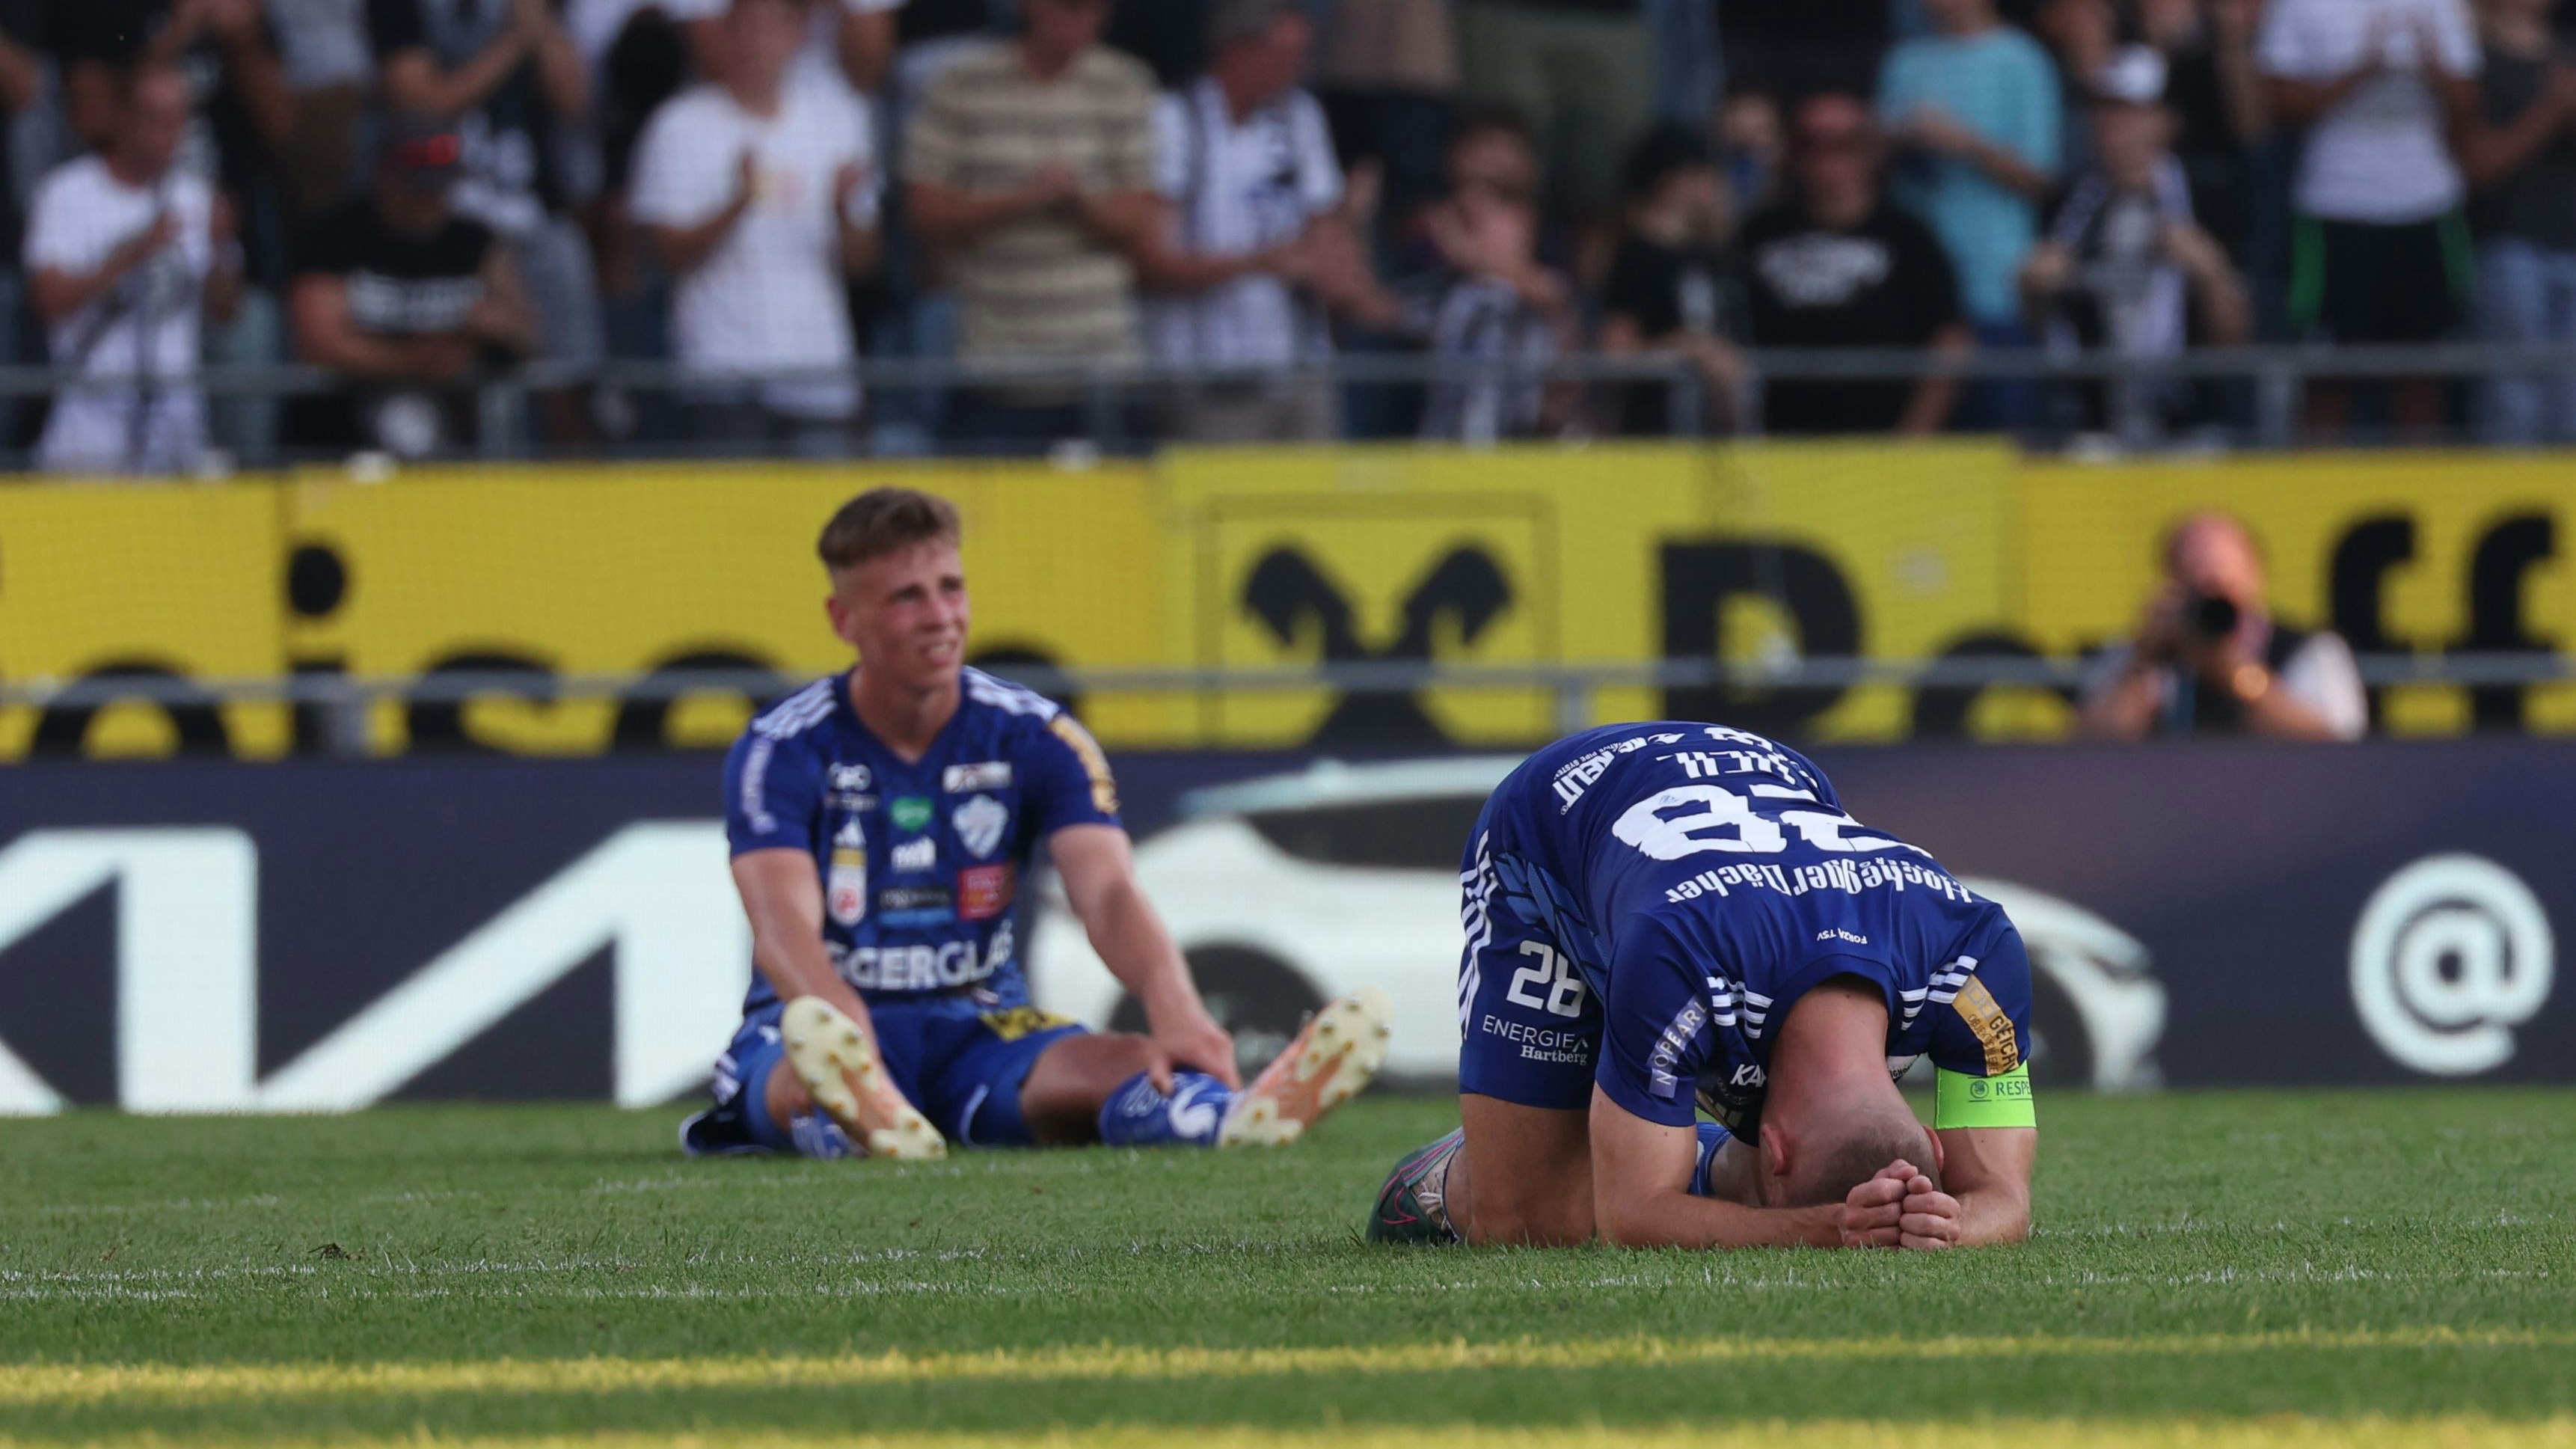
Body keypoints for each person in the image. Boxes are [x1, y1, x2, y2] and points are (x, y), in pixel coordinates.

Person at [684, 487, 1393, 1160]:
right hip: (819, 1022)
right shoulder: (781, 747)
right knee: (802, 1075)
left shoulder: (1037, 735)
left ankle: (1219, 1117)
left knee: (1126, 1061)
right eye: (907, 597)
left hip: (980, 1024)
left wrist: (1176, 1008)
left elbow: (1109, 892)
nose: (940, 615)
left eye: (951, 587)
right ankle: (849, 1111)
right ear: (845, 620)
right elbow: (782, 924)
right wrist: (848, 1034)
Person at [1366, 720, 2037, 1250]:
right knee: (1538, 1223)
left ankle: (1644, 1140)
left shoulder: (1979, 956)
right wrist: (1829, 1229)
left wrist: (1932, 1225)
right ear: (1769, 1148)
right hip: (1556, 822)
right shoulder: (1678, 959)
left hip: (1778, 779)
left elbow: (2005, 1198)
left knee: (1774, 1178)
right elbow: (1630, 1215)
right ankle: (1447, 1170)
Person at [904, 0, 1160, 450]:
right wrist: (1024, 199)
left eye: (1098, 10)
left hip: (1102, 365)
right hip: (995, 366)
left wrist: (1077, 200)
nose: (1086, 20)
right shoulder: (961, 84)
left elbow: (1142, 218)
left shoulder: (1126, 83)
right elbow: (923, 212)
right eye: (1072, 7)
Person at [629, 0, 883, 452]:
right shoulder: (678, 126)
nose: (755, 44)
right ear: (723, 35)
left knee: (826, 520)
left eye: (770, 29)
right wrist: (737, 204)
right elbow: (664, 257)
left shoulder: (838, 118)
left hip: (819, 374)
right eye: (742, 29)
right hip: (720, 374)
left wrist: (844, 214)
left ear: (799, 36)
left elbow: (862, 267)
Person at [369, 0, 604, 435]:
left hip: (530, 212)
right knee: (469, 371)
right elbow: (423, 106)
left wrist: (540, 25)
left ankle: (580, 468)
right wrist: (515, 40)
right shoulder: (407, 11)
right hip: (440, 207)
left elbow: (574, 98)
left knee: (565, 358)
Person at [1139, 0, 1363, 442]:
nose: (1299, 67)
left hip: (1299, 370)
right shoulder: (1173, 119)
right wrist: (1261, 263)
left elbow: (1325, 223)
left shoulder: (1301, 116)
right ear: (1237, 50)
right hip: (1206, 378)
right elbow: (1151, 262)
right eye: (1286, 53)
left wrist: (1338, 264)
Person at [2257, 0, 2480, 438]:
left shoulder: (2440, 5)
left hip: (2427, 205)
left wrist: (2433, 69)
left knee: (2423, 369)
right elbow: (2276, 102)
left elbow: (2470, 101)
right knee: (2329, 367)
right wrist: (2359, 73)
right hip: (2334, 207)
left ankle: (2424, 492)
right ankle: (2315, 495)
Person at [2020, 46, 2251, 443]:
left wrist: (2212, 274)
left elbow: (2236, 343)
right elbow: (2042, 330)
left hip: (2189, 423)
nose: (2112, 124)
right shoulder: (2069, 203)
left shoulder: (2209, 197)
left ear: (2166, 122)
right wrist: (2032, 290)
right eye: (2103, 110)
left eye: (2129, 111)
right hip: (2093, 426)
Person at [25, 64, 244, 474]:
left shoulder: (197, 198)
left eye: (178, 118)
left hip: (179, 422)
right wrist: (133, 253)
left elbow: (227, 312)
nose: (169, 131)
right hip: (89, 419)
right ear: (122, 118)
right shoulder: (66, 193)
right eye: (155, 117)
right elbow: (48, 301)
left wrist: (220, 247)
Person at [284, 113, 536, 456]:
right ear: (383, 174)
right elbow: (316, 342)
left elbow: (529, 332)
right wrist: (410, 362)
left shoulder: (476, 243)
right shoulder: (334, 240)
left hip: (460, 439)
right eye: (416, 186)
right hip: (343, 443)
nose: (427, 199)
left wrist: (496, 328)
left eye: (437, 185)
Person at [1737, 92, 1972, 436]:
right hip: (1779, 449)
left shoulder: (1909, 237)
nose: (1826, 162)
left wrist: (1911, 439)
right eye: (1809, 145)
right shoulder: (1757, 234)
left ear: (1872, 151)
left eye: (1844, 146)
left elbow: (1950, 342)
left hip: (1882, 448)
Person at [1877, 0, 2061, 414]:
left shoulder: (2022, 60)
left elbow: (2040, 179)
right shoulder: (1903, 62)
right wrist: (1894, 142)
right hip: (1913, 290)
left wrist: (1963, 144)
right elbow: (1870, 170)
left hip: (1994, 290)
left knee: (2001, 442)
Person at [1379, 110, 1581, 442]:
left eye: (1499, 195)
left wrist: (1465, 251)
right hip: (1444, 453)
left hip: (1520, 451)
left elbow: (1551, 296)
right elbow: (1381, 310)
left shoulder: (1545, 279)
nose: (1475, 208)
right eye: (1467, 192)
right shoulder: (1443, 282)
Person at [2077, 512, 2369, 741]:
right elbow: (2088, 750)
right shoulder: (2139, 655)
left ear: (2255, 576)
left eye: (2222, 586)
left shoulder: (2311, 651)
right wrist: (2143, 663)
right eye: (2198, 585)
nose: (2212, 603)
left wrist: (2235, 674)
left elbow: (2337, 746)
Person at [2459, 0, 2576, 444]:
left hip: (2571, 242)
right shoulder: (2473, 58)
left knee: (2572, 394)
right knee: (2514, 389)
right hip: (2510, 245)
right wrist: (2550, 110)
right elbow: (2477, 165)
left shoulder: (2566, 53)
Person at [1599, 123, 1746, 436]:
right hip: (1656, 441)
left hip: (1716, 437)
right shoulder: (1637, 257)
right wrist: (1686, 349)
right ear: (1674, 181)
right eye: (1705, 173)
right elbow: (1617, 358)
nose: (1717, 186)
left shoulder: (1716, 257)